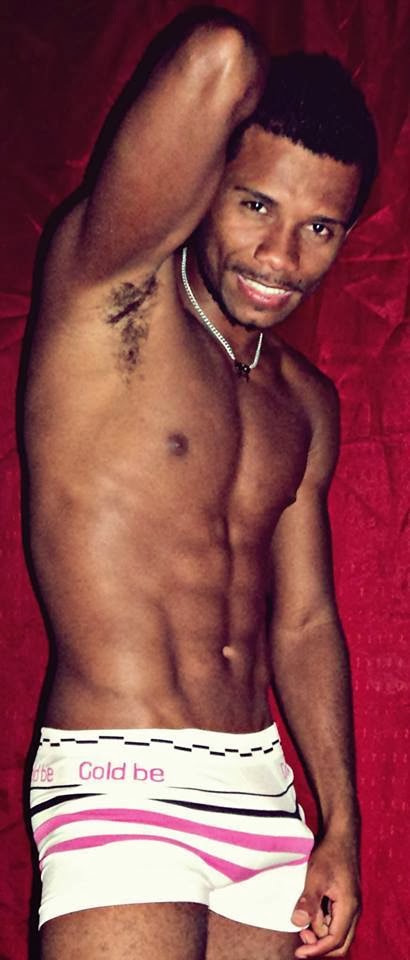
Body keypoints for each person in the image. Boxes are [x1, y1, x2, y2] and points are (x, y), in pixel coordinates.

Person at [25, 6, 378, 960]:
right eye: (255, 205)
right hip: (117, 777)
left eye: (319, 227)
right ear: (204, 182)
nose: (281, 259)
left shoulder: (304, 402)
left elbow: (304, 621)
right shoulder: (107, 295)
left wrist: (341, 822)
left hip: (262, 795)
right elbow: (216, 59)